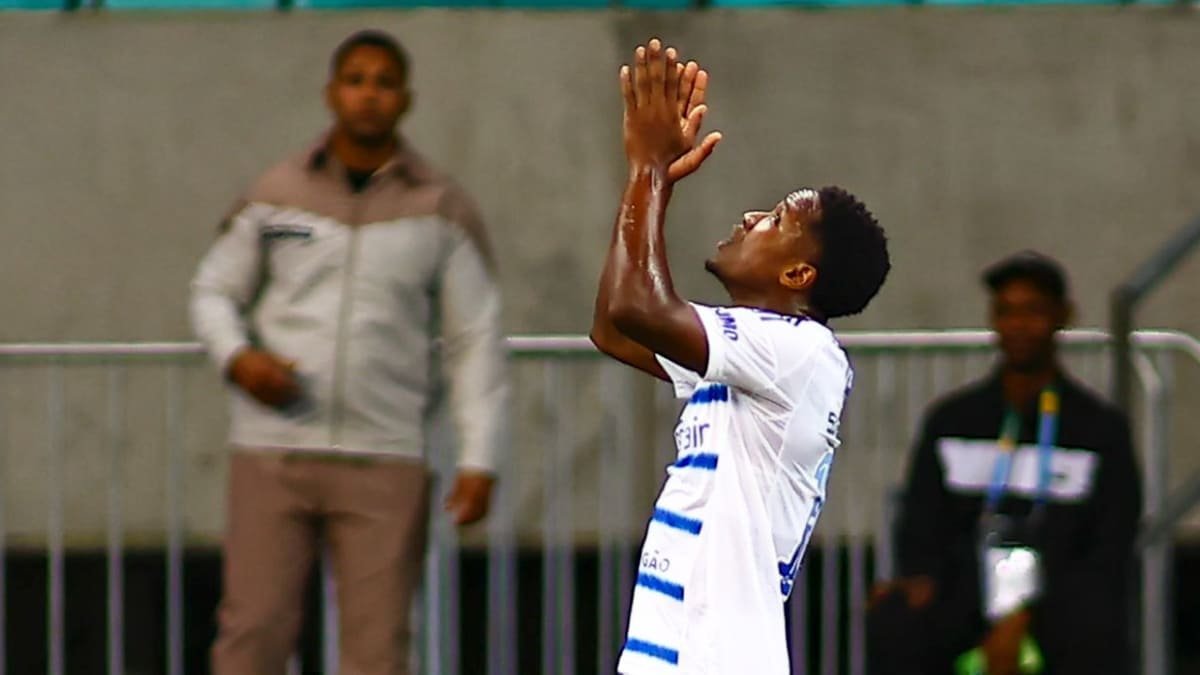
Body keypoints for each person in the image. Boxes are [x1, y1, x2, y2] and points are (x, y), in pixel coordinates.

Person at [189, 29, 508, 675]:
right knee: (253, 631)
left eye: (384, 82)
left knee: (377, 644)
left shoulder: (440, 207)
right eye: (356, 79)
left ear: (405, 99)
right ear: (332, 92)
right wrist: (238, 357)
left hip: (385, 453)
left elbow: (475, 335)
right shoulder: (276, 192)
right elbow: (212, 288)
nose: (369, 94)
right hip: (273, 449)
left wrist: (481, 458)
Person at [590, 38, 891, 675]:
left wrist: (648, 168)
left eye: (776, 220)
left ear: (799, 273)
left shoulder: (797, 352)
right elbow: (613, 331)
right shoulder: (752, 352)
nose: (752, 215)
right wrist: (650, 185)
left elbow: (632, 309)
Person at [868, 251, 1141, 675]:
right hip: (967, 591)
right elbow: (920, 519)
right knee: (898, 618)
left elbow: (1110, 541)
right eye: (1006, 312)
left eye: (1033, 311)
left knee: (1096, 623)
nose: (1019, 325)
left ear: (1062, 316)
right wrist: (920, 577)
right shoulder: (953, 419)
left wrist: (1022, 617)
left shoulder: (1099, 429)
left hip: (1059, 599)